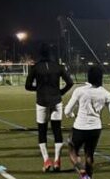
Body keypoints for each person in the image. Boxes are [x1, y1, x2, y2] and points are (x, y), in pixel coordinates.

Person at [65, 66, 110, 179]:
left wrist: (71, 115)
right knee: (89, 155)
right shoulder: (106, 94)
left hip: (80, 127)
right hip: (95, 129)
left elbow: (67, 110)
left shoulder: (79, 91)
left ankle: (83, 175)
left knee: (72, 151)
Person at [24, 43, 75, 172]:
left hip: (41, 101)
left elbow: (27, 86)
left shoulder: (35, 68)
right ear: (51, 54)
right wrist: (60, 92)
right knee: (57, 130)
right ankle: (57, 160)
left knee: (42, 130)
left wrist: (39, 89)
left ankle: (46, 160)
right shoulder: (58, 66)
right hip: (56, 100)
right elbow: (70, 83)